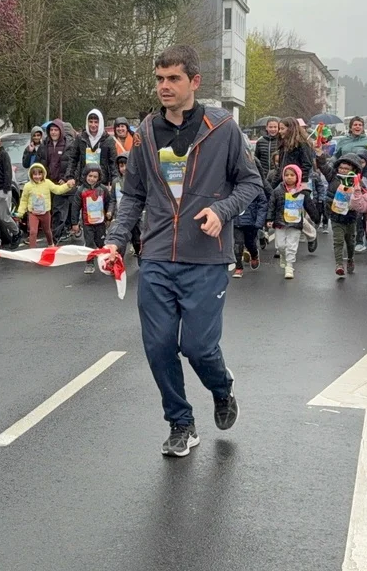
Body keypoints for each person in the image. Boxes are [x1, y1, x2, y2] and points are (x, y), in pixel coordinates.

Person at [103, 44, 262, 458]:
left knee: (198, 347)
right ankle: (181, 423)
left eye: (173, 78)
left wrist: (222, 210)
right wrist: (115, 239)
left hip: (206, 257)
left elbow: (251, 183)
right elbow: (133, 194)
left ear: (194, 81)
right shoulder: (145, 132)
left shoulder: (222, 128)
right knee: (158, 346)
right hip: (156, 255)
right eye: (159, 79)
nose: (164, 86)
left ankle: (222, 388)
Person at [16, 162, 75, 247]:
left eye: (39, 174)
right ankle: (32, 250)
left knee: (47, 231)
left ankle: (51, 244)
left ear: (43, 174)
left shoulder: (47, 183)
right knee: (33, 232)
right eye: (35, 174)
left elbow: (57, 190)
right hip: (33, 213)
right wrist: (20, 213)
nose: (37, 177)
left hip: (45, 213)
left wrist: (68, 186)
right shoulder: (27, 186)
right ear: (31, 175)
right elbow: (23, 200)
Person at [328, 154, 367, 278]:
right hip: (336, 216)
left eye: (346, 169)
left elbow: (364, 195)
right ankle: (339, 265)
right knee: (338, 241)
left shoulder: (357, 182)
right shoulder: (333, 178)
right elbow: (323, 166)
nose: (343, 170)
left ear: (353, 169)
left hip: (351, 217)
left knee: (350, 242)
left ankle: (350, 258)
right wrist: (319, 154)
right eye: (341, 168)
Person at [231, 165, 268, 279]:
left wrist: (259, 222)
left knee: (250, 243)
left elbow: (263, 204)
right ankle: (239, 267)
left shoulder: (256, 186)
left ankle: (254, 254)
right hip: (236, 221)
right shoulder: (231, 185)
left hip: (251, 223)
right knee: (237, 244)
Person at [41, 120, 77, 238]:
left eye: (56, 130)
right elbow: (40, 162)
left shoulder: (68, 145)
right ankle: (56, 235)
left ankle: (55, 237)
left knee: (58, 211)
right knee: (51, 210)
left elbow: (72, 163)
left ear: (61, 131)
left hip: (61, 184)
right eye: (51, 130)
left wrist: (66, 178)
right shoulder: (45, 144)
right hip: (47, 183)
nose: (53, 132)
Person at [76, 164, 113, 273]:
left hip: (100, 222)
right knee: (89, 244)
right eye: (90, 176)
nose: (92, 179)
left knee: (101, 243)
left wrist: (109, 216)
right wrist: (74, 223)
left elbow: (109, 202)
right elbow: (75, 207)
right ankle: (90, 264)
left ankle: (106, 262)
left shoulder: (103, 189)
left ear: (99, 177)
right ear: (85, 176)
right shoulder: (81, 191)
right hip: (87, 223)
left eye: (95, 176)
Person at [69, 109, 119, 186]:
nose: (93, 125)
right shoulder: (80, 138)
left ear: (100, 123)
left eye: (96, 122)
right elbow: (73, 159)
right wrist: (70, 177)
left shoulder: (108, 140)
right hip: (84, 181)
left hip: (102, 182)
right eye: (90, 122)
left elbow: (113, 163)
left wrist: (115, 182)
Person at [112, 153, 141, 259]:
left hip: (136, 218)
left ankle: (139, 255)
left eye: (126, 165)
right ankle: (119, 262)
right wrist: (110, 212)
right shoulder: (116, 182)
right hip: (121, 216)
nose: (124, 168)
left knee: (138, 240)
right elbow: (112, 199)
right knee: (120, 242)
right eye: (121, 166)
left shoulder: (138, 181)